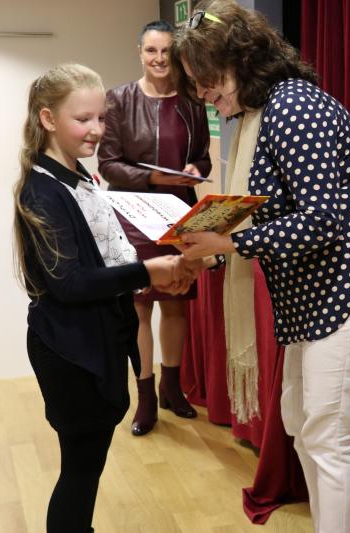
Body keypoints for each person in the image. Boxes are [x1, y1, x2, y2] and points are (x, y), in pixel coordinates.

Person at [170, 2, 350, 532]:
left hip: (347, 284)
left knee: (328, 433)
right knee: (302, 424)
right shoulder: (269, 110)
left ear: (242, 60)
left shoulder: (295, 107)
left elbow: (322, 220)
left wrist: (231, 241)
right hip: (313, 290)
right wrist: (218, 241)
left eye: (208, 79)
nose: (205, 94)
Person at [12, 63, 200, 532]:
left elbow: (106, 256)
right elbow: (71, 283)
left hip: (91, 341)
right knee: (79, 472)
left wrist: (155, 275)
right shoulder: (42, 191)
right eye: (83, 119)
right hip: (70, 351)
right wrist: (148, 271)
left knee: (86, 470)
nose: (96, 130)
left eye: (101, 118)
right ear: (48, 119)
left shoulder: (78, 176)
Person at [98, 20, 212, 433]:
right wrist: (152, 178)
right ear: (140, 53)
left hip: (180, 213)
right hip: (133, 216)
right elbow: (107, 164)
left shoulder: (192, 100)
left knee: (177, 303)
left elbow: (203, 158)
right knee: (140, 307)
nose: (159, 59)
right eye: (151, 51)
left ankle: (172, 388)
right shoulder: (119, 99)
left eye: (166, 51)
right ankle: (145, 397)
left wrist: (195, 169)